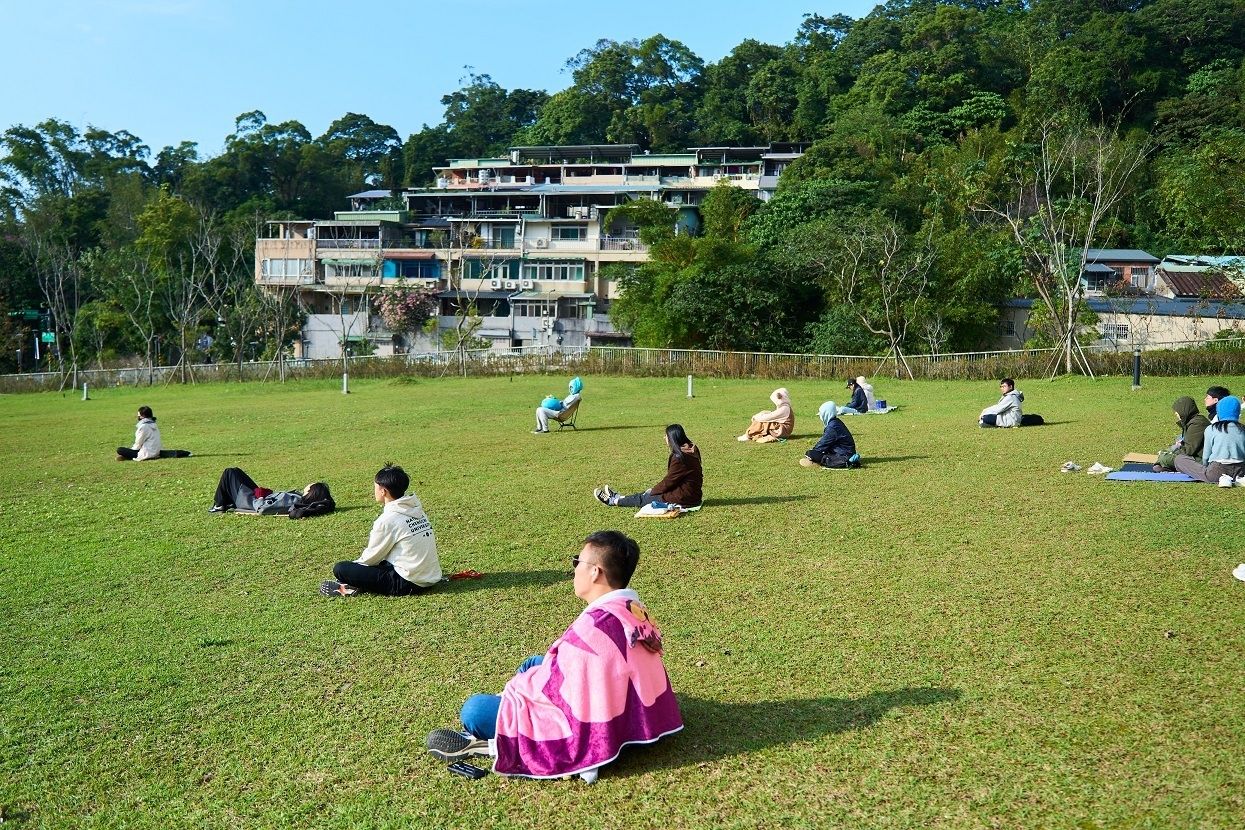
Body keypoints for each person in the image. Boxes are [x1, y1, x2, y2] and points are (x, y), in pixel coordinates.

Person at [425, 530, 683, 781]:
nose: (574, 569)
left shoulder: (594, 628)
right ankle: (503, 713)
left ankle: (496, 735)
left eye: (577, 561)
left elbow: (559, 693)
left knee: (474, 710)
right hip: (633, 707)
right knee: (531, 664)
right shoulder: (632, 609)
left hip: (596, 717)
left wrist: (523, 692)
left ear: (595, 572)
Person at [321, 463, 442, 597]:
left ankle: (351, 586)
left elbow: (370, 558)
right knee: (381, 563)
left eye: (375, 487)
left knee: (341, 569)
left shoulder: (387, 520)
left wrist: (353, 570)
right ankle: (358, 583)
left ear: (383, 491)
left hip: (407, 584)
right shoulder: (417, 510)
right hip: (430, 577)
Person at [594, 424, 702, 508]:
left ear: (672, 438)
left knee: (645, 497)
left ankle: (612, 501)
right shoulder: (689, 450)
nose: (664, 438)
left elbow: (670, 481)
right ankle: (619, 497)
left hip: (685, 498)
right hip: (691, 494)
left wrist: (653, 490)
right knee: (647, 494)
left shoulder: (680, 457)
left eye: (666, 436)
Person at [1173, 395, 1245, 486]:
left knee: (1179, 459)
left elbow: (1206, 456)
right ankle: (1237, 478)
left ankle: (1223, 478)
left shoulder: (1211, 429)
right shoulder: (1242, 429)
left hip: (1217, 470)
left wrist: (1206, 466)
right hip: (1241, 470)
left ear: (1219, 411)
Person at [209, 467, 335, 518]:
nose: (309, 483)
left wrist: (260, 496)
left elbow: (262, 508)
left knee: (229, 473)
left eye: (311, 484)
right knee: (235, 471)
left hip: (250, 500)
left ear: (311, 491)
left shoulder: (293, 500)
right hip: (258, 496)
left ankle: (220, 505)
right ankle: (226, 502)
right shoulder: (297, 498)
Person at [799, 401, 861, 469]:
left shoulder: (832, 427)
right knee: (813, 453)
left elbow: (823, 443)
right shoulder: (835, 423)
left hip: (843, 454)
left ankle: (847, 462)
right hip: (844, 451)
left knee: (811, 453)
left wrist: (814, 453)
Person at [115, 406, 191, 460]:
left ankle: (126, 456)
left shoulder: (143, 427)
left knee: (120, 450)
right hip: (156, 451)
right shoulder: (154, 424)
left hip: (146, 453)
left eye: (139, 416)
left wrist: (130, 451)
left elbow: (138, 443)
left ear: (142, 416)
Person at [1155, 397, 1209, 471]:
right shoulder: (1193, 422)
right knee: (1165, 457)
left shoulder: (1197, 424)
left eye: (1177, 411)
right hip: (1197, 457)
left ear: (1184, 410)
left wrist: (1170, 454)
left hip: (1201, 460)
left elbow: (1188, 450)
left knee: (1165, 458)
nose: (1176, 413)